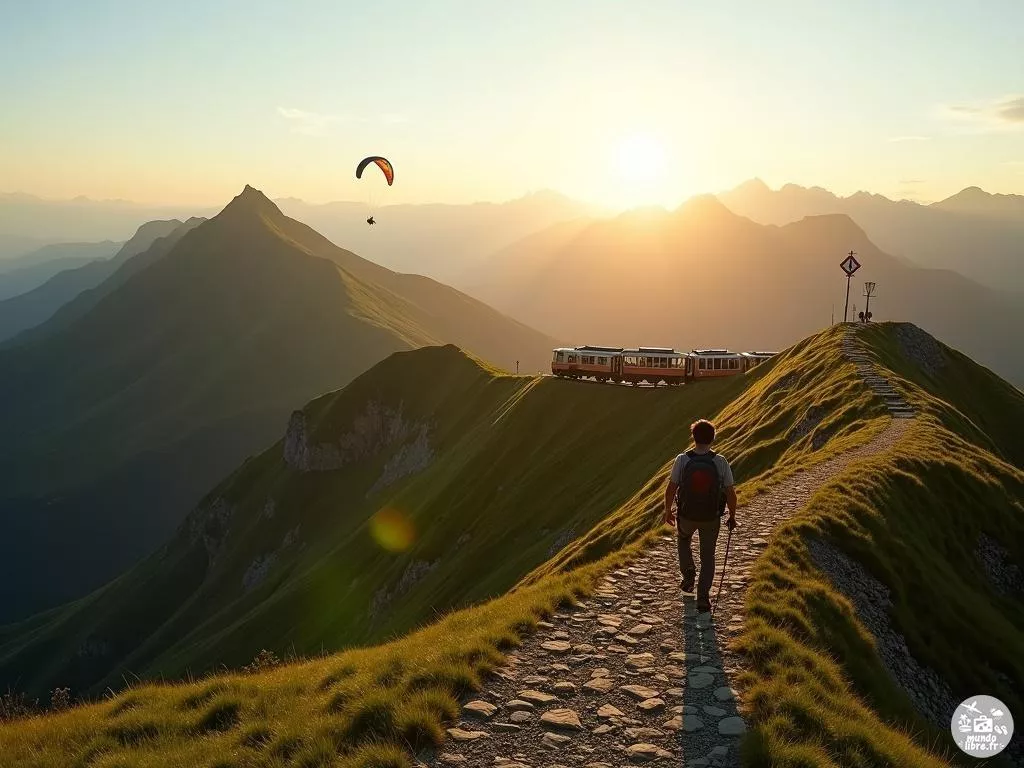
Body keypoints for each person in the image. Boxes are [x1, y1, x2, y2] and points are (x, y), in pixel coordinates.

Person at [663, 418, 737, 613]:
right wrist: (732, 516)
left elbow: (671, 488)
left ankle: (688, 575)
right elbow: (730, 492)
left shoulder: (682, 459)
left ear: (693, 437)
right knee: (708, 556)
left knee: (683, 540)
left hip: (686, 515)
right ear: (712, 439)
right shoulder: (720, 462)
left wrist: (667, 510)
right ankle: (703, 599)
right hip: (711, 518)